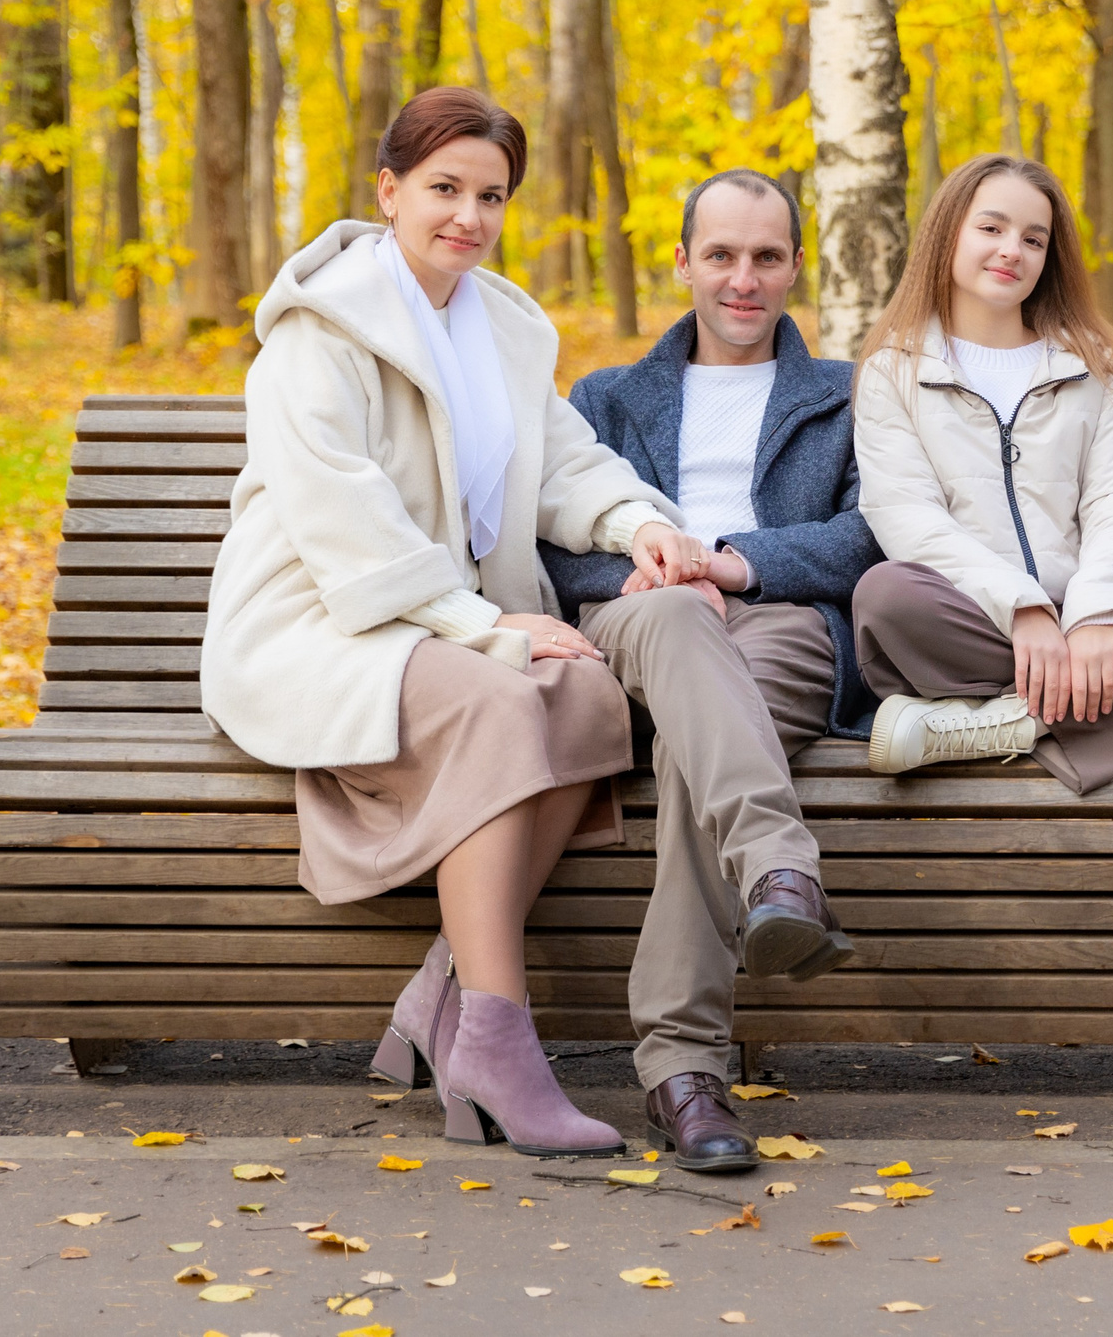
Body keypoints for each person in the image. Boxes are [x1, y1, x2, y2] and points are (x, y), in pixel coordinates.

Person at [202, 87, 708, 1159]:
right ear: (388, 191)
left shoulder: (503, 325)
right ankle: (498, 1037)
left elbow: (563, 461)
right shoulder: (319, 330)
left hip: (437, 619)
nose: (468, 216)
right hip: (324, 621)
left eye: (491, 195)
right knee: (500, 697)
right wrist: (491, 627)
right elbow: (347, 521)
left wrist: (636, 525)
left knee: (585, 693)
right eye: (444, 188)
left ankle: (444, 991)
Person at [540, 168, 879, 1173]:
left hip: (781, 619)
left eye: (767, 256)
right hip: (636, 623)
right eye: (722, 254)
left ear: (793, 268)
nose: (744, 278)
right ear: (682, 261)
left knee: (703, 752)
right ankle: (783, 867)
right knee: (684, 629)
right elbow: (555, 536)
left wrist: (735, 559)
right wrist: (651, 565)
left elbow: (875, 533)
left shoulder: (849, 395)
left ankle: (680, 1069)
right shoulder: (605, 397)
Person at [847, 153, 1113, 793]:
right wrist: (1024, 611)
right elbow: (908, 520)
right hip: (978, 623)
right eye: (990, 229)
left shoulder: (1090, 365)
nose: (1011, 251)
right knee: (885, 595)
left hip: (1091, 623)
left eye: (1034, 239)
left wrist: (1095, 617)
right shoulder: (895, 371)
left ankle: (1003, 724)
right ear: (948, 234)